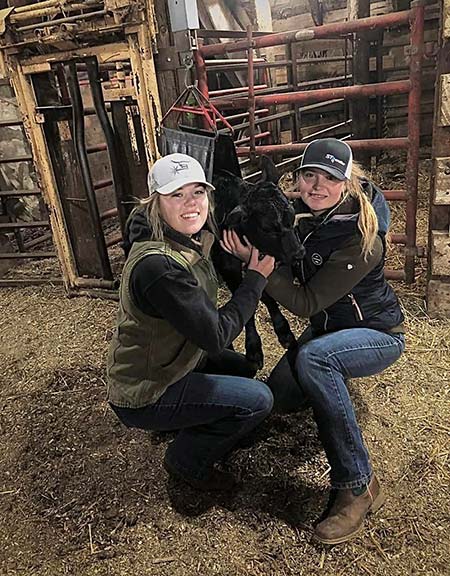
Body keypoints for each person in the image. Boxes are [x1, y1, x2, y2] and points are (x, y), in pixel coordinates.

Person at [222, 138, 405, 544]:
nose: (316, 186)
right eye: (308, 175)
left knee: (316, 362)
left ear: (346, 182)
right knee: (280, 396)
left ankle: (358, 484)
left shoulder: (363, 237)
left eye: (329, 177)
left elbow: (306, 302)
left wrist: (257, 268)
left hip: (375, 332)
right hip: (327, 330)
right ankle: (321, 387)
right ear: (298, 178)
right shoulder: (300, 212)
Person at [107, 152, 275, 492]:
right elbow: (215, 334)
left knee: (244, 369)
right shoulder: (159, 266)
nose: (191, 204)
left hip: (176, 359)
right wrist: (255, 279)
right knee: (259, 399)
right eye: (176, 195)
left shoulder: (188, 240)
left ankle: (191, 417)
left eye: (198, 192)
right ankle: (185, 460)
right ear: (156, 202)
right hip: (146, 390)